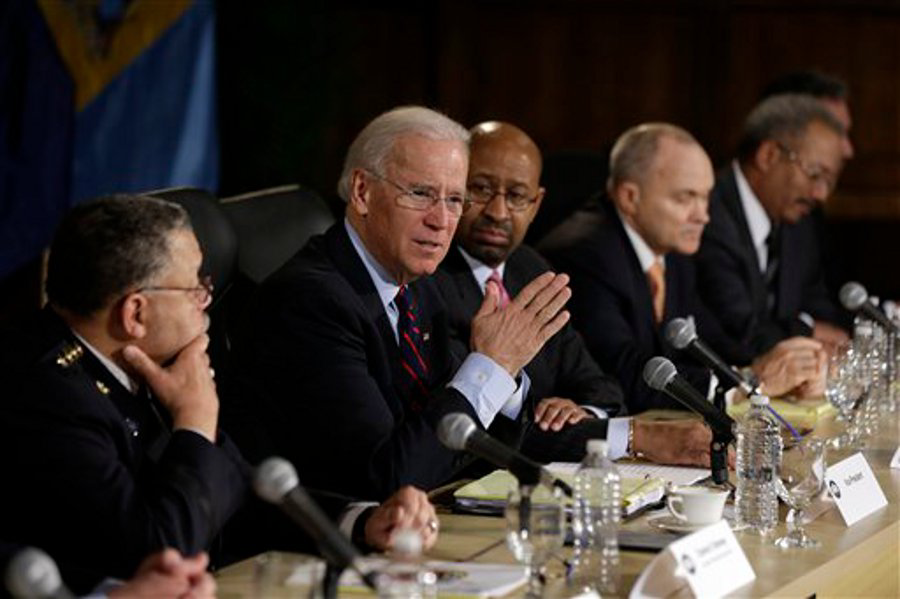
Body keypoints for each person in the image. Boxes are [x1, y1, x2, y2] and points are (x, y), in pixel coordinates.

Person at [0, 195, 438, 594]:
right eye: (195, 288)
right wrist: (195, 420)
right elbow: (159, 557)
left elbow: (235, 492)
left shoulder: (139, 358)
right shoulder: (48, 395)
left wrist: (360, 521)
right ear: (135, 313)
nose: (206, 301)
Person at [232, 106, 572, 501]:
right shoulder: (311, 302)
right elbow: (390, 476)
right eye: (421, 194)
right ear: (362, 191)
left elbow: (460, 434)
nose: (442, 221)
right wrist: (491, 365)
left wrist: (503, 374)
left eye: (455, 199)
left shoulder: (418, 288)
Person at [436, 121, 720, 466]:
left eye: (516, 196)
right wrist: (634, 437)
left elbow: (601, 385)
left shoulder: (532, 268)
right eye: (480, 189)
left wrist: (582, 411)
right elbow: (493, 427)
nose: (498, 212)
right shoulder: (430, 276)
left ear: (536, 204)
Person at [541, 123, 826, 414]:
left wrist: (778, 367)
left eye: (706, 197)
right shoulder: (589, 255)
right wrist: (747, 383)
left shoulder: (671, 248)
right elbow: (622, 373)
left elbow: (708, 341)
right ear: (630, 197)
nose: (703, 216)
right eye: (685, 198)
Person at [695, 94, 850, 357]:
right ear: (768, 156)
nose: (821, 194)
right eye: (815, 175)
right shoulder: (706, 213)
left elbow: (819, 306)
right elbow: (740, 330)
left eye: (829, 182)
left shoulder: (798, 219)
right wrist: (806, 331)